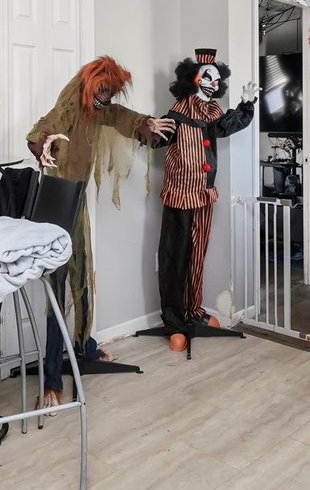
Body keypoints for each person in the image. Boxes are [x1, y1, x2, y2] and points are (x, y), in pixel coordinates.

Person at [26, 56, 174, 407]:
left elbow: (119, 116)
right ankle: (51, 377)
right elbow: (48, 125)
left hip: (74, 201)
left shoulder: (100, 107)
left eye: (109, 93)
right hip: (55, 203)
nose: (105, 98)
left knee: (82, 278)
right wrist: (42, 143)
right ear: (91, 84)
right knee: (59, 284)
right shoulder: (73, 100)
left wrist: (145, 125)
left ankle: (84, 347)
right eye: (102, 91)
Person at [155, 48, 256, 351]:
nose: (213, 83)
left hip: (205, 194)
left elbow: (230, 124)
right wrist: (145, 128)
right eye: (207, 76)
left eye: (216, 78)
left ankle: (194, 313)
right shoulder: (177, 114)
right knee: (175, 257)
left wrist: (247, 104)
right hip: (180, 193)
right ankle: (174, 321)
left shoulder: (212, 115)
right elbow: (155, 139)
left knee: (198, 255)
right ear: (193, 79)